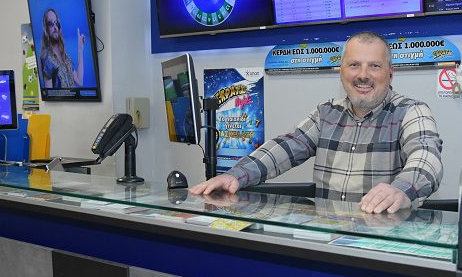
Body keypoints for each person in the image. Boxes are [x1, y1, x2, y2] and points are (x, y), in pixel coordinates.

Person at [190, 31, 443, 213]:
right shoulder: (326, 113)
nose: (363, 75)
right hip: (328, 240)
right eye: (354, 65)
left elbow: (426, 159)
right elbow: (284, 148)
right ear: (341, 71)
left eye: (374, 66)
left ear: (390, 73)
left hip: (381, 244)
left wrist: (400, 190)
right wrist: (235, 175)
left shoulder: (411, 112)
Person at [39, 7, 85, 89]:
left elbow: (79, 81)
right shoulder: (46, 59)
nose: (55, 27)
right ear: (46, 29)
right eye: (51, 23)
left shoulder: (65, 55)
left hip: (74, 97)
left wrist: (80, 50)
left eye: (56, 23)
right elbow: (50, 94)